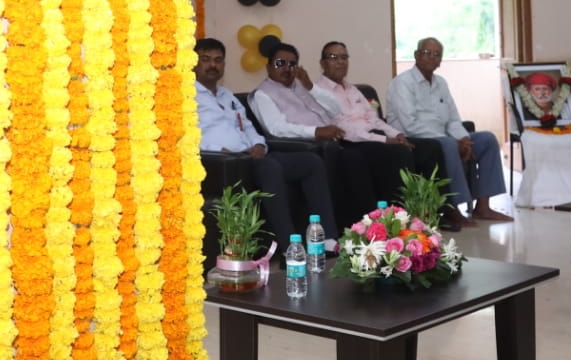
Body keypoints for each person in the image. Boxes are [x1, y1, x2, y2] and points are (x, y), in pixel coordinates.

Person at [193, 39, 336, 257]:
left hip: (252, 155)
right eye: (206, 59)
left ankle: (325, 239)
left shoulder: (226, 95)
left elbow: (247, 126)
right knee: (270, 168)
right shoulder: (186, 97)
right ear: (194, 62)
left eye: (218, 60)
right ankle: (289, 249)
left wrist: (259, 143)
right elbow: (186, 138)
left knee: (311, 163)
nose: (213, 65)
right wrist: (219, 149)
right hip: (223, 163)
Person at [250, 42, 398, 231]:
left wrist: (310, 86)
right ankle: (364, 226)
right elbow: (277, 129)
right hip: (305, 147)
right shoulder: (262, 94)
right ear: (268, 67)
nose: (287, 68)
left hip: (331, 142)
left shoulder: (300, 87)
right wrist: (316, 131)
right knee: (354, 160)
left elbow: (335, 109)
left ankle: (386, 221)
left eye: (292, 64)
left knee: (380, 153)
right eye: (280, 63)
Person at [312, 41, 456, 230]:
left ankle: (437, 213)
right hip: (352, 142)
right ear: (322, 63)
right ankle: (400, 218)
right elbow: (345, 128)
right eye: (333, 57)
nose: (340, 62)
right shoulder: (318, 92)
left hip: (374, 136)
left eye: (344, 57)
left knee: (430, 147)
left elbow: (375, 119)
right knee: (399, 152)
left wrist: (397, 134)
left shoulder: (352, 89)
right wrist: (386, 140)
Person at [386, 37, 513, 223]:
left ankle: (483, 207)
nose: (432, 57)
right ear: (416, 55)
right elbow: (410, 124)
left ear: (440, 61)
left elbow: (453, 119)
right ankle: (452, 210)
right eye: (427, 53)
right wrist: (454, 143)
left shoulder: (441, 83)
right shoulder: (402, 83)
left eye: (437, 54)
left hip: (443, 138)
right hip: (412, 140)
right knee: (448, 144)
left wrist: (464, 140)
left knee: (487, 139)